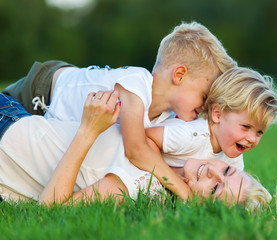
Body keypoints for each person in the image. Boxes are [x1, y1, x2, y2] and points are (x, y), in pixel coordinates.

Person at [2, 22, 238, 200]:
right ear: (179, 75)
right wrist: (180, 187)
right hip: (43, 90)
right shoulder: (135, 87)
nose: (205, 107)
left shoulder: (165, 117)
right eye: (204, 97)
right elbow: (136, 150)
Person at [0, 91, 271, 209]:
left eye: (215, 188)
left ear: (202, 207)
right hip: (11, 120)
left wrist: (89, 130)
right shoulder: (184, 141)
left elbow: (50, 209)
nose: (212, 169)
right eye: (224, 169)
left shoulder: (143, 185)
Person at [145, 67, 277, 173]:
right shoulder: (191, 136)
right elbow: (147, 136)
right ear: (218, 114)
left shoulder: (233, 156)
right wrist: (167, 178)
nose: (251, 138)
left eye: (259, 132)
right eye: (245, 126)